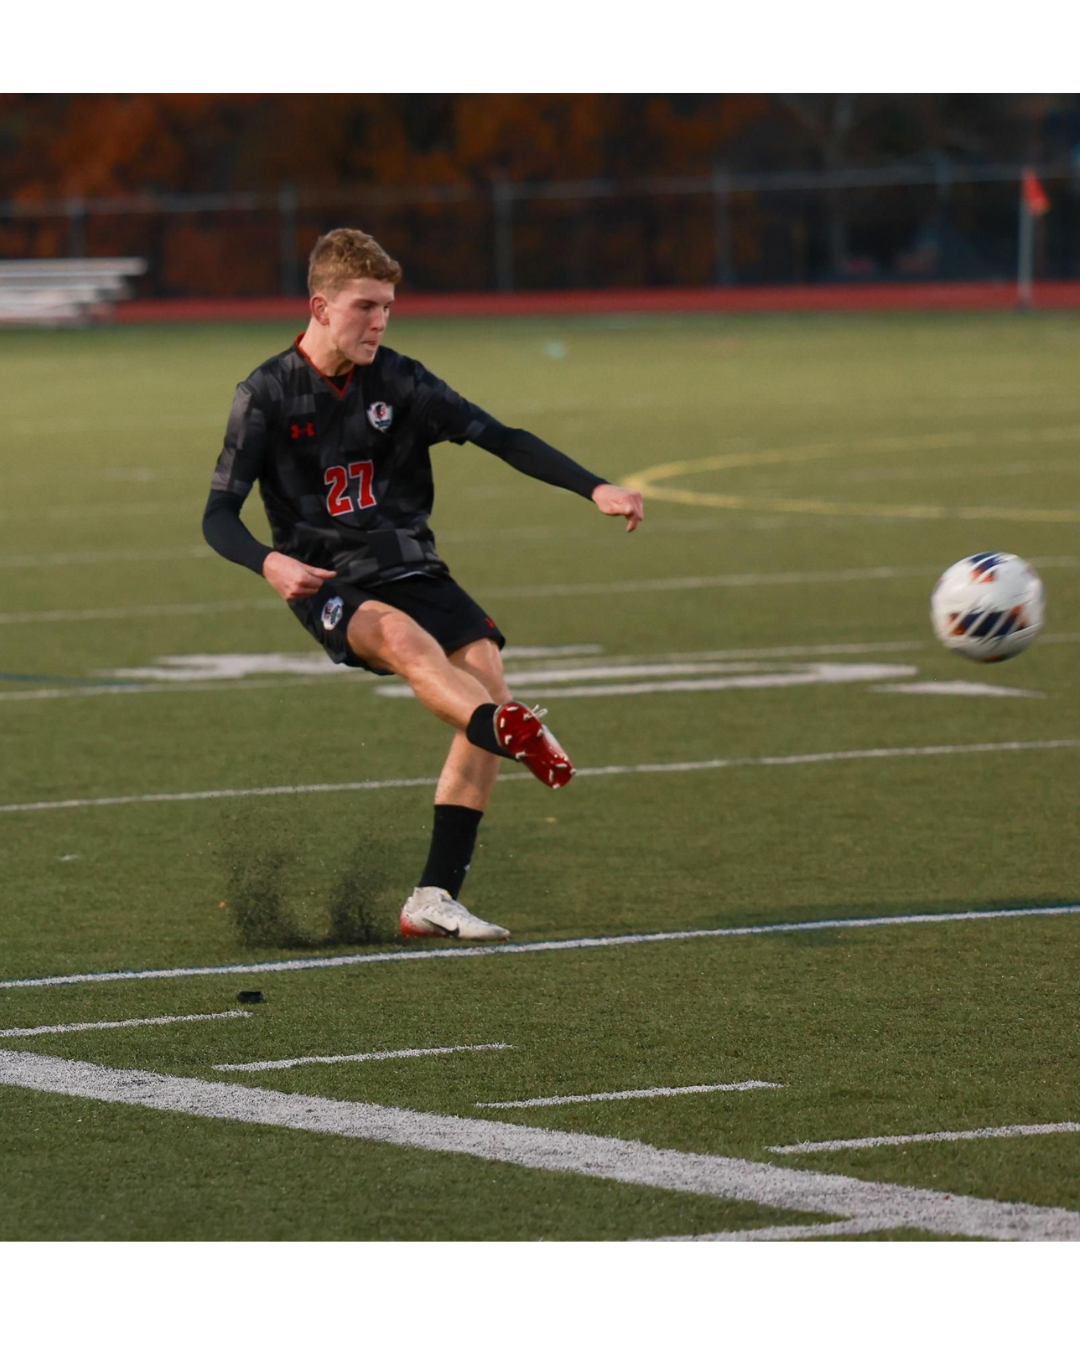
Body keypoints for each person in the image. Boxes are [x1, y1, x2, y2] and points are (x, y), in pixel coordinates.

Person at [203, 228, 643, 942]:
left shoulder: (401, 380)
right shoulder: (266, 392)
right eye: (365, 306)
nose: (380, 321)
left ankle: (433, 898)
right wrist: (267, 562)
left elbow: (501, 436)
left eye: (388, 307)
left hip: (411, 564)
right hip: (328, 580)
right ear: (320, 306)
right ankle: (510, 732)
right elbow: (218, 514)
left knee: (486, 673)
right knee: (406, 642)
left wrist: (593, 486)